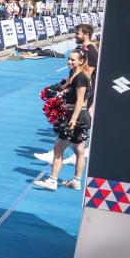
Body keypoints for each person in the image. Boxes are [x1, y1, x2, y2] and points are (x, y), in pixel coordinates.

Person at [35, 23, 97, 166]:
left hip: (81, 92)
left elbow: (87, 73)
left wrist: (70, 88)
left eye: (78, 33)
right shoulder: (83, 49)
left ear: (86, 35)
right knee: (70, 123)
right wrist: (61, 86)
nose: (75, 36)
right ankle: (71, 153)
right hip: (75, 89)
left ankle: (59, 153)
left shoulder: (91, 51)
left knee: (72, 122)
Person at [34, 48, 93, 191]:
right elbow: (65, 87)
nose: (69, 62)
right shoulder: (74, 73)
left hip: (75, 116)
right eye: (69, 59)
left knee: (57, 149)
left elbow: (80, 100)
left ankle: (52, 181)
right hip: (79, 116)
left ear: (81, 61)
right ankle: (77, 181)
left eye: (73, 60)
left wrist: (72, 120)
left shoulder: (81, 77)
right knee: (79, 150)